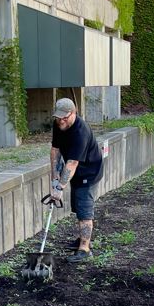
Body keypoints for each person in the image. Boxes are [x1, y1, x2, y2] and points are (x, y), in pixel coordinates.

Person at [50, 98, 103, 262]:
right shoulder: (59, 124)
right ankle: (81, 239)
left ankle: (85, 249)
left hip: (88, 171)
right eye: (58, 117)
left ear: (73, 113)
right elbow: (55, 151)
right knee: (77, 205)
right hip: (75, 172)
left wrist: (60, 188)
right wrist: (54, 178)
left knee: (84, 209)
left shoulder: (81, 132)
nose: (61, 121)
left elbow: (72, 163)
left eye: (65, 117)